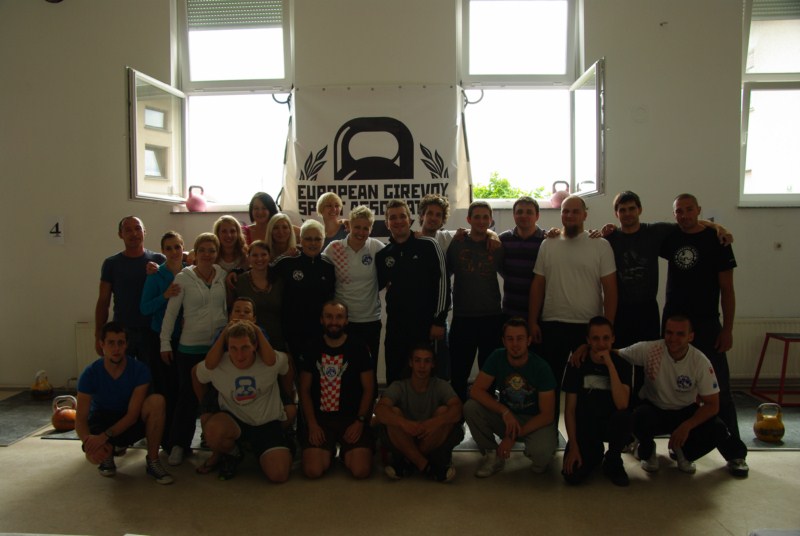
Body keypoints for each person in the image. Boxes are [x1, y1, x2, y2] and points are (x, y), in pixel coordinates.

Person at [660, 193, 747, 475]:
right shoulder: (671, 237)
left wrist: (728, 329)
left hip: (707, 324)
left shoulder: (717, 240)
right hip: (673, 324)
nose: (684, 215)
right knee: (672, 386)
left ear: (698, 210)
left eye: (689, 210)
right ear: (674, 214)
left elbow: (728, 290)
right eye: (679, 211)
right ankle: (680, 445)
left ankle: (735, 453)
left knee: (720, 389)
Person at [616, 315, 749, 478]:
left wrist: (687, 426)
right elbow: (616, 353)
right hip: (654, 410)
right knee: (635, 416)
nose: (673, 339)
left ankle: (683, 452)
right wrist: (591, 349)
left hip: (685, 412)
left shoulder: (700, 361)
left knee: (718, 429)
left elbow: (712, 405)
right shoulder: (650, 349)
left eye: (680, 334)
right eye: (669, 333)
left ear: (690, 337)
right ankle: (647, 451)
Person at [528, 195, 617, 414]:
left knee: (586, 385)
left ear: (585, 215)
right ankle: (549, 429)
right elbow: (538, 285)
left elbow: (610, 290)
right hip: (552, 323)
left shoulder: (600, 245)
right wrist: (532, 321)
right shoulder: (548, 244)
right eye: (565, 211)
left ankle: (584, 432)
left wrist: (607, 328)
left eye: (575, 211)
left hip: (587, 327)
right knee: (550, 383)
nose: (570, 215)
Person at [160, 232, 228, 466]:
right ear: (195, 253)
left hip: (217, 347)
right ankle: (179, 444)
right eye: (203, 250)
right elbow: (171, 313)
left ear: (216, 253)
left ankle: (214, 440)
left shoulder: (222, 275)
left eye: (212, 250)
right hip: (190, 347)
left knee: (217, 396)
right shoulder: (184, 278)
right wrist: (164, 342)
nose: (207, 254)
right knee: (187, 397)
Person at [76, 322, 173, 484]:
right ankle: (106, 455)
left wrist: (104, 437)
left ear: (126, 345)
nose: (116, 348)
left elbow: (132, 415)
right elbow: (80, 418)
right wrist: (89, 443)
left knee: (157, 401)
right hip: (102, 420)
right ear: (102, 344)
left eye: (120, 343)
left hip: (128, 421)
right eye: (111, 343)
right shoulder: (90, 373)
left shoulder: (139, 370)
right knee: (92, 456)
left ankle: (153, 461)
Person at [194, 320, 292, 482]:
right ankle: (234, 453)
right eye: (233, 348)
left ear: (255, 345)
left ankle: (266, 449)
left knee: (279, 475)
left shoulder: (271, 360)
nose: (239, 355)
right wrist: (205, 406)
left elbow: (287, 363)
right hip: (234, 420)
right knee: (212, 430)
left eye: (245, 347)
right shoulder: (219, 364)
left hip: (266, 423)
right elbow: (196, 373)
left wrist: (288, 397)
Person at [463, 318, 557, 477]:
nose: (515, 344)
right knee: (470, 407)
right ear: (504, 341)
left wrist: (512, 437)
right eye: (510, 339)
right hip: (507, 417)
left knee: (541, 458)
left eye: (520, 338)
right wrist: (504, 411)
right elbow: (476, 391)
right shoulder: (497, 357)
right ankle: (493, 455)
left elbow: (547, 415)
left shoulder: (541, 367)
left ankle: (533, 449)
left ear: (528, 341)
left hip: (534, 420)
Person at [298, 301, 375, 479]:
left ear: (346, 320)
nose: (334, 321)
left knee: (361, 471)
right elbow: (304, 390)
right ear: (321, 320)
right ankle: (329, 451)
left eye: (339, 317)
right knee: (313, 471)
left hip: (351, 419)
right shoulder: (311, 347)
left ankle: (346, 453)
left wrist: (360, 421)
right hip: (321, 420)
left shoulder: (359, 347)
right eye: (329, 317)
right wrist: (312, 424)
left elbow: (369, 388)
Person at [376, 199, 449, 386]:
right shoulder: (384, 255)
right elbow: (378, 284)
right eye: (393, 217)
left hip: (426, 327)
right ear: (387, 223)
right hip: (396, 327)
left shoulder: (429, 245)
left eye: (402, 216)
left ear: (410, 220)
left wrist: (439, 320)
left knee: (426, 377)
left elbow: (443, 283)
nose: (398, 221)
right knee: (395, 375)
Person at [374, 343, 463, 482]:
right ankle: (427, 466)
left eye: (427, 361)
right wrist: (404, 424)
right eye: (417, 360)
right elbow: (379, 410)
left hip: (431, 438)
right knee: (393, 413)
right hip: (405, 436)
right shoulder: (399, 386)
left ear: (433, 364)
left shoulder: (441, 385)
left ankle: (408, 461)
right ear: (411, 363)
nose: (422, 366)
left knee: (445, 412)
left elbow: (458, 409)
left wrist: (434, 423)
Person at [561, 317, 633, 487]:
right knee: (572, 476)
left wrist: (609, 364)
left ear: (613, 338)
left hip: (610, 425)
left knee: (625, 417)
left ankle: (613, 460)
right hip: (586, 428)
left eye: (606, 338)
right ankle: (594, 454)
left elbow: (622, 404)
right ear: (588, 340)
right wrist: (574, 447)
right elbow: (569, 411)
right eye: (595, 338)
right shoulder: (577, 363)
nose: (601, 343)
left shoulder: (623, 363)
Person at [447, 201, 505, 402]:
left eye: (485, 217)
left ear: (491, 220)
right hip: (463, 317)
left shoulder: (497, 246)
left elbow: (508, 273)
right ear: (469, 219)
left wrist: (493, 235)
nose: (481, 221)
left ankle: (485, 414)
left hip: (491, 317)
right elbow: (445, 273)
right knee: (458, 373)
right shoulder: (457, 243)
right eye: (477, 217)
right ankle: (457, 415)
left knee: (489, 374)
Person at [139, 231, 186, 452]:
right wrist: (164, 296)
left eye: (177, 247)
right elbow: (144, 308)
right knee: (166, 389)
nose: (174, 251)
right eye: (169, 248)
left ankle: (180, 440)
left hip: (185, 339)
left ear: (183, 248)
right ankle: (165, 439)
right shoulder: (156, 275)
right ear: (162, 251)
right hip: (160, 339)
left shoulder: (190, 272)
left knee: (182, 390)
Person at [95, 216, 165, 362]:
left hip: (152, 331)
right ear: (120, 234)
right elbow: (103, 302)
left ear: (144, 232)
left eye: (137, 229)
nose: (134, 233)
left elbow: (180, 266)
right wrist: (98, 335)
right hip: (122, 333)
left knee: (151, 374)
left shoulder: (159, 260)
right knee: (122, 373)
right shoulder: (111, 264)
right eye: (128, 230)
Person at [322, 205, 385, 361]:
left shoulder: (376, 247)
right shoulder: (334, 248)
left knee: (368, 366)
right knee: (344, 367)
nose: (361, 232)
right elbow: (315, 265)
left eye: (365, 228)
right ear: (349, 225)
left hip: (370, 320)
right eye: (357, 227)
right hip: (342, 321)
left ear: (371, 229)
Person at [271, 219, 336, 357]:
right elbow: (261, 271)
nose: (313, 243)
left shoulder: (329, 266)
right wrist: (236, 272)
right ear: (301, 239)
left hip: (320, 331)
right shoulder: (287, 263)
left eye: (317, 239)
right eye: (308, 239)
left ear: (323, 240)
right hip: (292, 329)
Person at [233, 240, 287, 352]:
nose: (259, 258)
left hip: (277, 338)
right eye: (255, 255)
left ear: (269, 256)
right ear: (248, 257)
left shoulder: (279, 281)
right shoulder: (240, 281)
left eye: (263, 254)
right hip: (248, 340)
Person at [499, 196, 546, 321]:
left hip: (540, 315)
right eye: (519, 212)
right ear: (514, 215)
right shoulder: (503, 239)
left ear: (537, 216)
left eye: (529, 212)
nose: (524, 215)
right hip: (510, 311)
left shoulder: (546, 240)